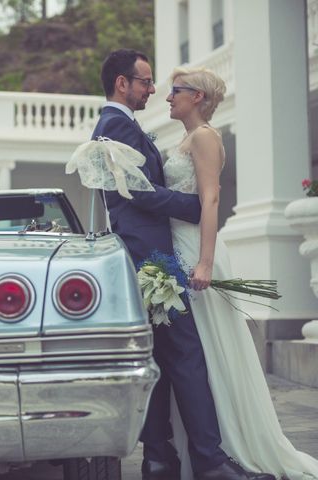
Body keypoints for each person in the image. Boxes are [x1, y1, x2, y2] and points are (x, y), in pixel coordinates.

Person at [91, 49, 274, 480]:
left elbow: (151, 189)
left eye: (166, 88)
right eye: (147, 82)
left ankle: (162, 459)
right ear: (123, 84)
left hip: (166, 255)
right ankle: (206, 462)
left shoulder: (131, 126)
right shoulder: (115, 126)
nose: (155, 92)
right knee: (186, 358)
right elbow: (130, 194)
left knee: (172, 359)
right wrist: (191, 208)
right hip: (154, 258)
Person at [163, 66, 318, 480]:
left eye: (175, 90)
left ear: (197, 97)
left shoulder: (206, 137)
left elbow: (210, 201)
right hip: (179, 249)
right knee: (198, 355)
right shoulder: (185, 138)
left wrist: (206, 263)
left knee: (215, 351)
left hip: (198, 250)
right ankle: (203, 451)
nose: (167, 97)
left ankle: (234, 448)